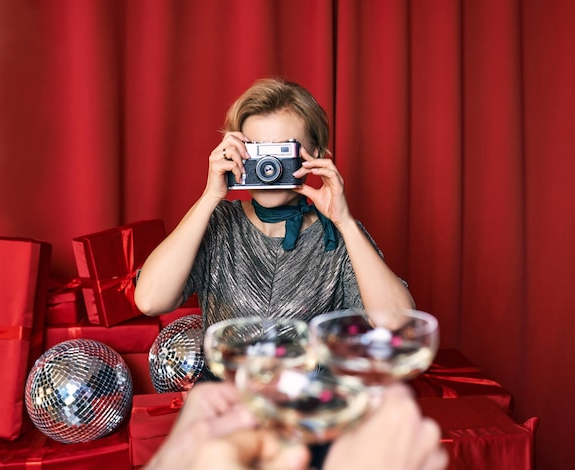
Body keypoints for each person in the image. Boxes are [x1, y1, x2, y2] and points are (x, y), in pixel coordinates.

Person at [134, 77, 415, 333]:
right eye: (258, 152)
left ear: (314, 153)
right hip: (227, 387)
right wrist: (210, 196)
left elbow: (397, 322)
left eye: (282, 151)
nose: (269, 169)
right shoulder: (218, 224)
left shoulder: (336, 233)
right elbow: (150, 300)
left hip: (311, 389)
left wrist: (345, 222)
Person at [146, 382, 449, 470]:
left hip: (316, 410)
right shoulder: (218, 237)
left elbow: (398, 319)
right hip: (249, 408)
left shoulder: (333, 245)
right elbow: (149, 300)